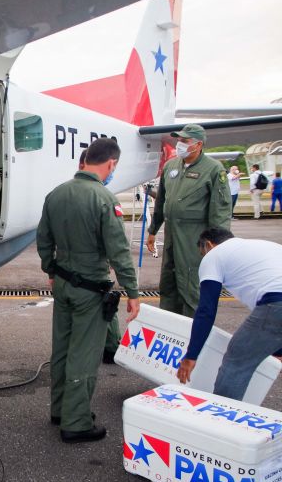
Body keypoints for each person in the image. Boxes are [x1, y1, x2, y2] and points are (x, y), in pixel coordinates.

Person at [37, 138, 140, 443]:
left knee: (62, 350)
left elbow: (44, 240)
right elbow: (119, 252)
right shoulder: (105, 199)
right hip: (90, 291)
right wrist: (132, 292)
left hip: (64, 284)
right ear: (110, 164)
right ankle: (77, 421)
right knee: (83, 355)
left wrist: (51, 271)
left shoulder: (55, 195)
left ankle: (59, 410)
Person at [176, 228, 282, 400]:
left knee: (236, 360)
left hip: (276, 301)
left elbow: (206, 311)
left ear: (209, 245)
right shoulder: (260, 246)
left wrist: (191, 355)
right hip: (275, 303)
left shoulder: (214, 255)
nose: (203, 257)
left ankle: (221, 420)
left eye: (202, 253)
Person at [146, 124, 231, 317]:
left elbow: (220, 211)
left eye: (185, 141)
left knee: (191, 286)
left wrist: (216, 244)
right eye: (179, 140)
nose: (179, 144)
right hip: (171, 235)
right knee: (168, 282)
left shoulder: (214, 170)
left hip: (195, 238)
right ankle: (170, 327)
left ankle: (193, 333)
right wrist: (153, 230)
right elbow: (161, 202)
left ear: (198, 144)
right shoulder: (171, 166)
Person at [78, 149, 120, 364]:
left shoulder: (70, 192)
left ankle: (105, 347)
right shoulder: (102, 196)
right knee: (106, 307)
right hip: (95, 267)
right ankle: (111, 348)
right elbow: (115, 242)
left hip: (73, 269)